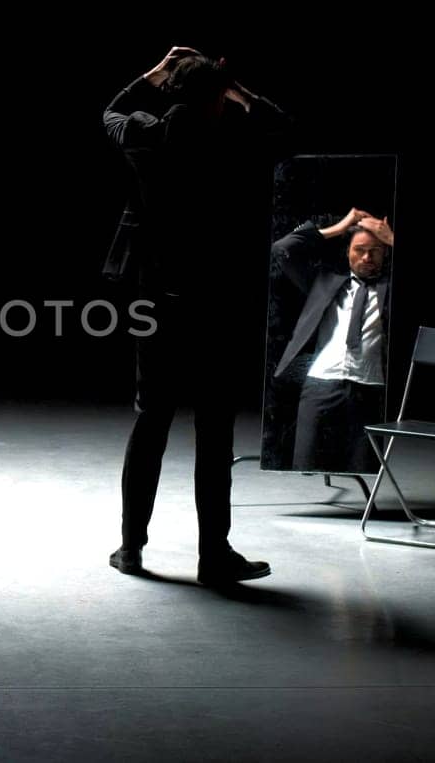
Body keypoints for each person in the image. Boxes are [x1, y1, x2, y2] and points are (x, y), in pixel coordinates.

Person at [101, 46, 289, 584]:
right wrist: (240, 91)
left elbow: (108, 113)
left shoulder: (145, 134)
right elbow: (285, 127)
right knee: (215, 431)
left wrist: (152, 74)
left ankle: (131, 548)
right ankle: (214, 556)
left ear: (170, 93)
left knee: (151, 421)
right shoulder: (234, 136)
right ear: (217, 99)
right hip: (218, 303)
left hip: (156, 302)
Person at [271, 208, 394, 473]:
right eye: (359, 249)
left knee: (364, 466)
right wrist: (339, 228)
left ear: (385, 253)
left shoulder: (390, 288)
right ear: (347, 251)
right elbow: (282, 249)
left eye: (375, 250)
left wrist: (393, 238)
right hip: (320, 386)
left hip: (369, 389)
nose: (366, 257)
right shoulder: (324, 283)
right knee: (304, 464)